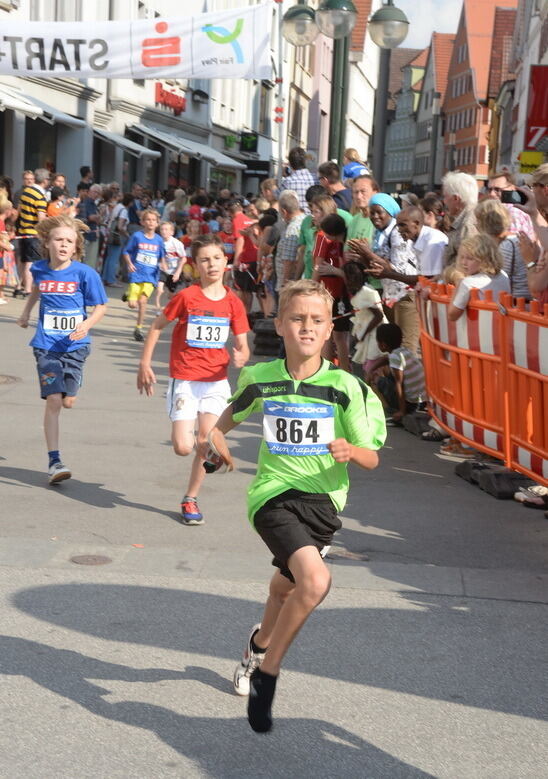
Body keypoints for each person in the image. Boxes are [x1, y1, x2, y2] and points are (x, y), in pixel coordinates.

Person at [202, 278, 385, 732]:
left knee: (287, 589)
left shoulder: (345, 387)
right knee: (316, 581)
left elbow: (372, 456)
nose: (307, 327)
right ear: (280, 324)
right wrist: (217, 441)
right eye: (298, 319)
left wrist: (349, 451)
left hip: (322, 504)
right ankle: (268, 673)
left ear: (328, 332)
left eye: (317, 321)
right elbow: (227, 419)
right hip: (273, 495)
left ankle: (257, 645)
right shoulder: (260, 379)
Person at [137, 234, 250, 524]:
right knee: (183, 447)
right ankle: (210, 453)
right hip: (185, 380)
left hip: (216, 381)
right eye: (204, 259)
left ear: (226, 262)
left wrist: (241, 354)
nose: (211, 264)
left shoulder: (233, 303)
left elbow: (242, 343)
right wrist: (144, 363)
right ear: (195, 265)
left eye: (216, 258)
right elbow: (156, 326)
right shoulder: (187, 297)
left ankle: (190, 499)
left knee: (205, 438)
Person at [16, 214, 107, 484]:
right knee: (54, 400)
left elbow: (101, 306)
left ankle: (75, 382)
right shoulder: (40, 270)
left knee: (68, 401)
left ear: (76, 246)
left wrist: (87, 324)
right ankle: (55, 461)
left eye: (69, 241)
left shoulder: (84, 273)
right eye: (58, 240)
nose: (63, 245)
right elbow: (38, 291)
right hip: (46, 346)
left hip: (75, 347)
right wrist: (25, 313)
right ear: (48, 243)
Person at [347, 194, 421, 354]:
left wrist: (368, 253)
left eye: (379, 212)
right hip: (391, 296)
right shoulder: (379, 234)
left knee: (407, 347)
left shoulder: (397, 232)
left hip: (405, 294)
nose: (375, 216)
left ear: (389, 211)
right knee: (395, 346)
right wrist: (363, 257)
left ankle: (410, 379)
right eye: (372, 213)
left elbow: (398, 269)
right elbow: (378, 272)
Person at [312, 213, 352, 371]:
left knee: (333, 334)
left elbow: (348, 272)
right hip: (337, 293)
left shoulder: (339, 243)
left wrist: (332, 271)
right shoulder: (340, 243)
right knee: (335, 335)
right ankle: (340, 368)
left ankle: (336, 369)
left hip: (337, 294)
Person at [122, 209, 166, 341]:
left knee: (142, 301)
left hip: (151, 276)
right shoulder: (137, 236)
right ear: (142, 222)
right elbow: (126, 251)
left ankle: (139, 328)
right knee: (132, 304)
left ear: (157, 223)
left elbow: (162, 256)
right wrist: (129, 263)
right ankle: (129, 293)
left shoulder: (159, 240)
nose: (151, 222)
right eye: (148, 220)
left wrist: (163, 264)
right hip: (136, 274)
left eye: (153, 220)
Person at [474, 199, 530, 300]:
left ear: (485, 223)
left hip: (517, 304)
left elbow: (499, 278)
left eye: (478, 221)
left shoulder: (506, 245)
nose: (476, 225)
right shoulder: (511, 240)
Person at [447, 234, 510, 321]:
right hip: (503, 325)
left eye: (470, 258)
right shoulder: (503, 275)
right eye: (462, 257)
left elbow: (452, 315)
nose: (464, 262)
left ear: (484, 259)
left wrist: (459, 283)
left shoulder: (468, 282)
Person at [373, 322, 425, 423]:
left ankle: (395, 410)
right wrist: (372, 368)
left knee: (379, 381)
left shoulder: (395, 357)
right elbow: (386, 359)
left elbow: (399, 384)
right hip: (422, 400)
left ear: (383, 345)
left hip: (412, 404)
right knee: (387, 374)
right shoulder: (404, 351)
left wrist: (402, 411)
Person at [343, 261, 386, 377]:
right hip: (366, 335)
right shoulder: (358, 292)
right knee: (367, 368)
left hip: (375, 336)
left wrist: (362, 334)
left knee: (373, 369)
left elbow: (379, 316)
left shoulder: (367, 292)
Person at [297, 189, 352, 280]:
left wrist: (311, 287)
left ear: (325, 212)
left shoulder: (322, 236)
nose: (313, 216)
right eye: (312, 212)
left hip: (327, 286)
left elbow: (318, 267)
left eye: (316, 212)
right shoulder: (336, 237)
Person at [18, 167, 50, 295]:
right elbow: (41, 218)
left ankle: (18, 286)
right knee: (31, 262)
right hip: (33, 233)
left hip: (22, 230)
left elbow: (20, 210)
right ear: (45, 180)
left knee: (23, 260)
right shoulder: (40, 196)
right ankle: (28, 289)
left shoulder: (25, 192)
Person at [442, 171, 478, 268]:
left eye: (445, 196)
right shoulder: (466, 218)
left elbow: (468, 265)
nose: (444, 201)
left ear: (456, 199)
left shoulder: (467, 225)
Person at [486, 170, 535, 239]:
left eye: (497, 189)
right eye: (490, 189)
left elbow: (515, 242)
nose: (492, 194)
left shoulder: (513, 211)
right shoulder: (499, 209)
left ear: (512, 188)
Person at [275, 190, 305, 293]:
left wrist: (285, 285)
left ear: (284, 212)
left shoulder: (292, 229)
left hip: (290, 283)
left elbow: (289, 261)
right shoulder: (305, 220)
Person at [155, 221, 187, 312]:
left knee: (171, 293)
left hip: (174, 270)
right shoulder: (158, 241)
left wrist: (178, 272)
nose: (164, 231)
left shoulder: (176, 243)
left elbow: (183, 258)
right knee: (159, 289)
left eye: (166, 229)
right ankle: (158, 307)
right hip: (162, 269)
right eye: (162, 229)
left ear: (172, 232)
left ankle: (171, 307)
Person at [280, 147, 315, 212]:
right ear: (305, 161)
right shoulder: (315, 179)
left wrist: (283, 177)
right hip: (313, 218)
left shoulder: (287, 181)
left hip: (296, 218)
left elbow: (277, 196)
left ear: (290, 163)